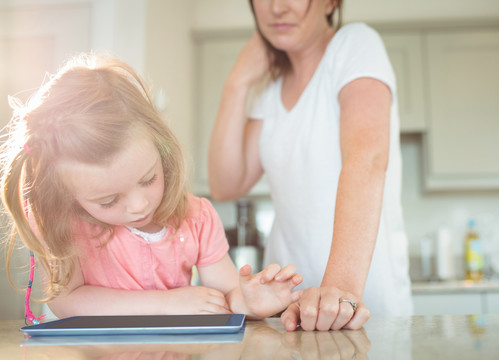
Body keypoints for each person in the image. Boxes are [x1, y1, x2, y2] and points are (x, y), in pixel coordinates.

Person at [0, 52, 303, 323]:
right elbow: (67, 301)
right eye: (108, 201)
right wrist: (166, 303)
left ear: (163, 149)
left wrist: (248, 301)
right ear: (68, 195)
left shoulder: (196, 217)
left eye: (148, 180)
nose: (139, 206)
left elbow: (224, 297)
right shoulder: (64, 225)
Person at [208, 0, 413, 331]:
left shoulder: (355, 45)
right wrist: (237, 82)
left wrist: (337, 292)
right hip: (288, 311)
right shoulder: (271, 91)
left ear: (331, 2)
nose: (277, 8)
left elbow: (367, 158)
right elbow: (225, 183)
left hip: (358, 308)